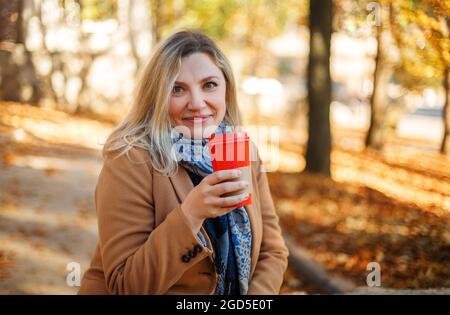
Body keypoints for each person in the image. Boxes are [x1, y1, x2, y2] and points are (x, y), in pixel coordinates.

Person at [78, 29, 288, 295]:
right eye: (177, 89)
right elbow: (125, 285)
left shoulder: (242, 150)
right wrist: (191, 214)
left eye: (209, 85)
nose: (197, 103)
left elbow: (273, 250)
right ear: (157, 95)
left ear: (226, 88)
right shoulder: (130, 158)